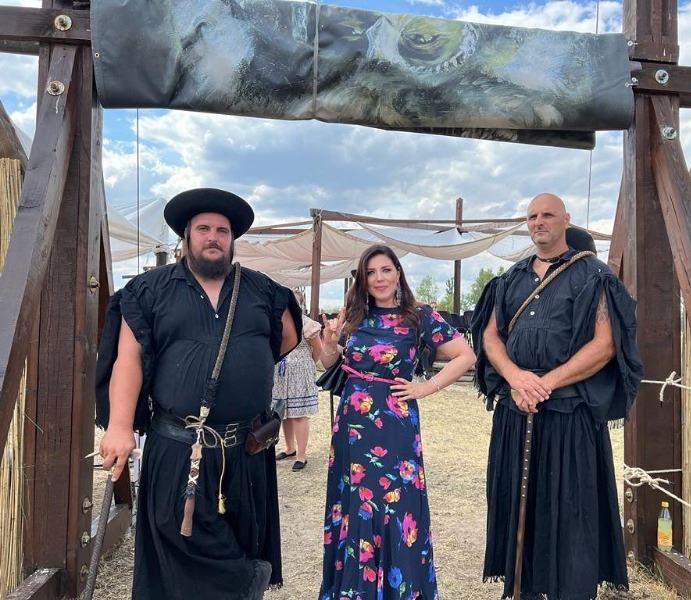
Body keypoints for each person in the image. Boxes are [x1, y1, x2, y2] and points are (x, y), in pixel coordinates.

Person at [95, 188, 301, 600]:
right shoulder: (149, 290)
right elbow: (128, 359)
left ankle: (243, 580)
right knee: (174, 538)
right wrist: (119, 426)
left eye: (222, 231)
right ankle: (245, 580)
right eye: (204, 228)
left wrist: (244, 367)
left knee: (242, 533)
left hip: (245, 448)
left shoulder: (263, 290)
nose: (213, 237)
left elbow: (286, 339)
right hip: (177, 444)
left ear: (232, 239)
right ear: (186, 236)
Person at [473, 193, 643, 599]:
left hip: (570, 415)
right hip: (516, 413)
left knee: (571, 511)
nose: (539, 222)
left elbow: (605, 344)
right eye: (532, 216)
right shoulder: (511, 279)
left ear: (566, 219)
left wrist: (545, 383)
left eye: (547, 214)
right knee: (520, 509)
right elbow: (490, 336)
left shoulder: (593, 275)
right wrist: (516, 377)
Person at [318, 244, 476, 600]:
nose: (379, 278)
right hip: (352, 427)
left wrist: (426, 387)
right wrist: (329, 343)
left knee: (395, 505)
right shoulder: (354, 315)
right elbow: (330, 363)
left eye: (386, 270)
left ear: (398, 273)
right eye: (370, 272)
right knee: (356, 505)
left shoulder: (418, 316)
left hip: (394, 424)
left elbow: (465, 356)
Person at [274, 289, 323, 471]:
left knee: (299, 414)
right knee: (283, 412)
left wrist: (306, 365)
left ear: (300, 304)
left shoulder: (307, 324)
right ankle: (290, 448)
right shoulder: (277, 321)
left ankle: (302, 455)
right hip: (280, 371)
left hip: (300, 372)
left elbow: (317, 350)